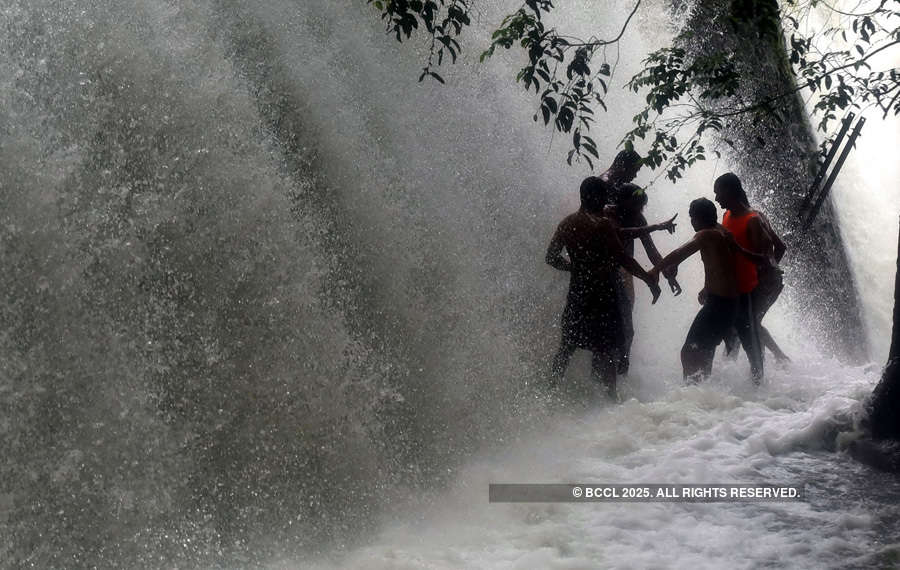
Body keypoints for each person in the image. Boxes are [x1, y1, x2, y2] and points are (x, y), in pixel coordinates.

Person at [546, 176, 661, 399]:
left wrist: (575, 268)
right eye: (604, 198)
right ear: (596, 198)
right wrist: (648, 279)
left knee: (567, 347)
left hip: (578, 292)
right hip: (605, 294)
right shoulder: (603, 224)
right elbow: (622, 258)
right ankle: (610, 400)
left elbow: (551, 257)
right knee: (606, 350)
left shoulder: (566, 223)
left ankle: (549, 392)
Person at [649, 198, 768, 380]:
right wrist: (707, 287)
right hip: (727, 302)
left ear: (698, 217)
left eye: (692, 218)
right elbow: (720, 264)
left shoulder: (706, 234)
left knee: (689, 352)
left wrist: (655, 269)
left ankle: (694, 393)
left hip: (720, 305)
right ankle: (705, 395)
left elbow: (680, 253)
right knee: (705, 349)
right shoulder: (722, 231)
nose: (691, 222)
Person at [603, 178, 682, 375]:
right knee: (608, 326)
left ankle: (623, 366)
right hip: (603, 272)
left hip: (627, 271)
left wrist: (667, 274)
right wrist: (655, 226)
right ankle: (605, 369)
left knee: (627, 326)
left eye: (642, 207)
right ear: (623, 202)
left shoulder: (638, 218)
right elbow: (619, 233)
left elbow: (651, 252)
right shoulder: (607, 213)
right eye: (637, 206)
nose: (640, 211)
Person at [713, 172, 773, 382]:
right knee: (728, 336)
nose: (716, 198)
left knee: (749, 338)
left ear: (730, 191)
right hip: (728, 290)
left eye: (718, 193)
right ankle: (725, 386)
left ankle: (759, 384)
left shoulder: (752, 220)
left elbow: (765, 259)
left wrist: (738, 249)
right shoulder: (727, 216)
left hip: (747, 290)